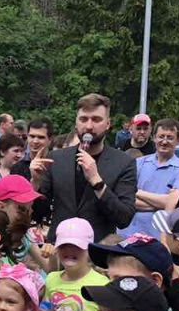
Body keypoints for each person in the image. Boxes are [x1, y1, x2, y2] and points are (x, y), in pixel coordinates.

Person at [35, 94, 138, 239]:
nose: (89, 126)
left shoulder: (124, 163)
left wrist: (97, 182)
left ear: (108, 124)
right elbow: (38, 213)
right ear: (76, 123)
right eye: (83, 119)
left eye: (96, 119)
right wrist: (35, 183)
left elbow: (124, 219)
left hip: (98, 248)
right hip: (59, 247)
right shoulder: (56, 158)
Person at [120, 118, 179, 238]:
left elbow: (174, 203)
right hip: (127, 233)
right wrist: (161, 204)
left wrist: (137, 192)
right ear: (154, 138)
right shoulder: (138, 163)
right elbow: (123, 198)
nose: (164, 141)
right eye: (161, 136)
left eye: (170, 138)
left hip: (158, 237)